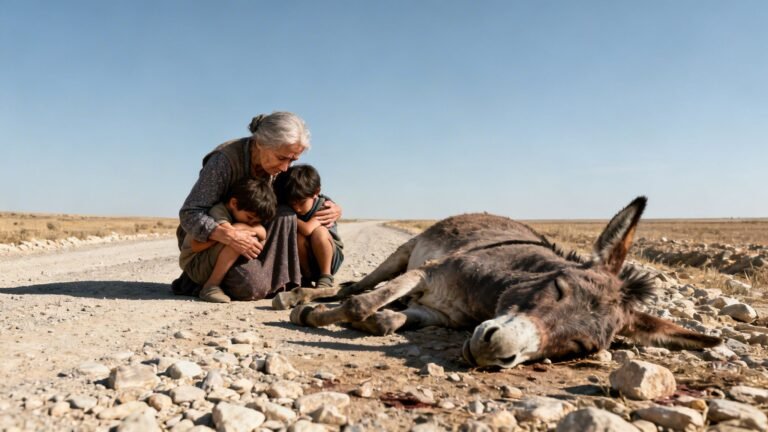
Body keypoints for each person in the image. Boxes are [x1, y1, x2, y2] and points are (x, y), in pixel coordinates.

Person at [173, 111, 342, 300]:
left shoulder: (276, 168)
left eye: (292, 161)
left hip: (248, 239)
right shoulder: (224, 161)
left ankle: (282, 281)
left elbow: (300, 190)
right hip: (212, 243)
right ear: (261, 143)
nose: (285, 168)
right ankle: (202, 281)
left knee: (285, 213)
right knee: (248, 287)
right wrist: (229, 234)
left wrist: (330, 206)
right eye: (281, 158)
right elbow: (190, 213)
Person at [179, 178, 276, 303]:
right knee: (238, 239)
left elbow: (263, 233)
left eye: (255, 222)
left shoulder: (241, 215)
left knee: (243, 236)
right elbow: (196, 245)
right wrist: (238, 229)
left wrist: (243, 227)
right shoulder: (217, 213)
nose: (251, 223)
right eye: (249, 218)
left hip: (207, 261)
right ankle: (210, 286)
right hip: (194, 265)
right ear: (234, 203)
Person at [273, 164, 344, 288]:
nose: (297, 208)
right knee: (297, 237)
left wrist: (290, 219)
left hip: (329, 257)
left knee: (319, 232)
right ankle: (304, 278)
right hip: (305, 261)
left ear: (316, 192)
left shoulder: (324, 207)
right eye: (292, 203)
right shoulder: (290, 203)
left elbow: (307, 229)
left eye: (301, 202)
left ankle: (325, 277)